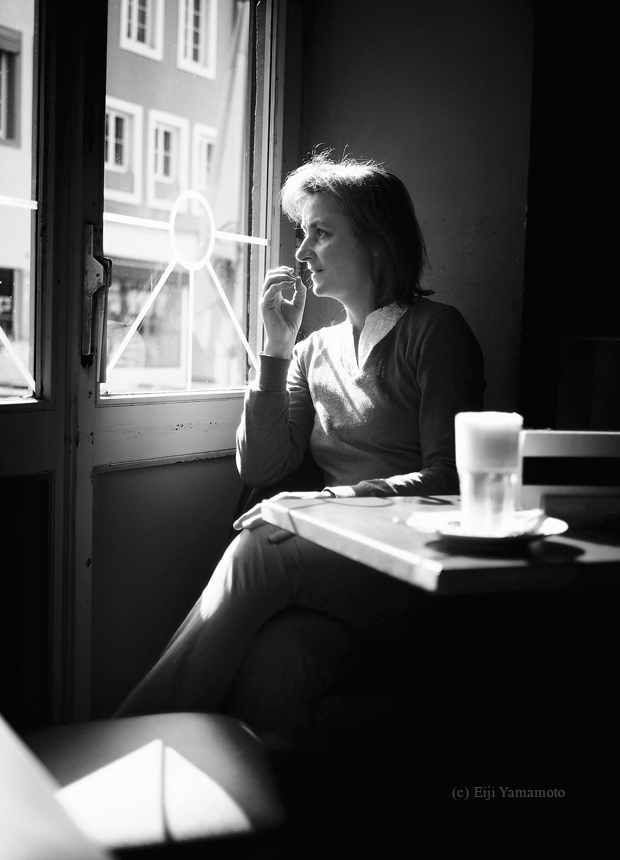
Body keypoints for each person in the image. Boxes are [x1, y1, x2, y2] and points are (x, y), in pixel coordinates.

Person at [116, 154, 485, 741]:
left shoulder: (436, 332)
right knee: (277, 667)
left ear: (375, 243)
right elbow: (262, 464)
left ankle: (128, 743)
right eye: (301, 233)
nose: (303, 251)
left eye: (321, 233)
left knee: (259, 549)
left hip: (410, 569)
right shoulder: (312, 351)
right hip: (334, 568)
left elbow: (451, 479)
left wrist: (327, 502)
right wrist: (276, 347)